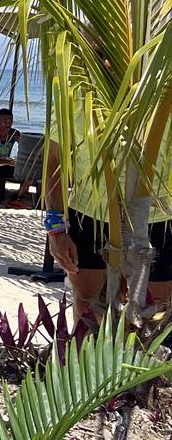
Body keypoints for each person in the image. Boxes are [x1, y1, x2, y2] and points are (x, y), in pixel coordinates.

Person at [43, 138, 172, 323]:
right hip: (90, 212)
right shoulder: (82, 114)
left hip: (159, 217)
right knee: (88, 308)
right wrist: (55, 229)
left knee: (155, 313)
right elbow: (53, 158)